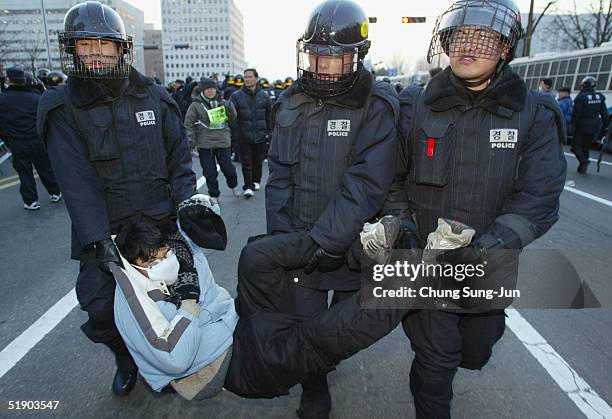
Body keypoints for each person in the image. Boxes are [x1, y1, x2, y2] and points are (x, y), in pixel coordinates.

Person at [380, 0, 566, 417]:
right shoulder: (414, 105)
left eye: (483, 38)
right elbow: (390, 178)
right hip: (426, 262)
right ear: (445, 43)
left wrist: (491, 246)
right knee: (436, 360)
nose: (468, 47)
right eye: (460, 37)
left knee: (476, 351)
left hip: (489, 262)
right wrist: (402, 226)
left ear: (505, 49)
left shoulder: (533, 114)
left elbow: (539, 197)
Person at [37, 1, 200, 397]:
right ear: (70, 50)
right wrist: (98, 241)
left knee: (171, 299)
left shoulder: (155, 98)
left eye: (102, 43)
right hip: (105, 233)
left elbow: (180, 161)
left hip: (160, 224)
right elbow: (75, 182)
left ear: (121, 48)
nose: (93, 52)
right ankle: (128, 360)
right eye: (83, 44)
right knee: (100, 310)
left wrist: (189, 209)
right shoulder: (62, 107)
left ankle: (162, 361)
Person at [111, 215, 413, 401]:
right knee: (314, 337)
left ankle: (363, 249)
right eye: (151, 262)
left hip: (235, 324)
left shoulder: (177, 253)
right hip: (225, 365)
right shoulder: (132, 303)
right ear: (132, 265)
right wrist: (188, 305)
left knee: (256, 256)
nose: (163, 263)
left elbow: (211, 294)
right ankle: (415, 278)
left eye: (163, 254)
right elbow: (174, 359)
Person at [264, 0, 399, 417]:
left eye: (335, 58)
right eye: (316, 55)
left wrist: (327, 241)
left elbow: (366, 183)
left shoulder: (377, 105)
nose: (323, 67)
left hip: (350, 244)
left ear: (357, 56)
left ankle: (324, 361)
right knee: (304, 325)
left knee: (340, 327)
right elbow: (279, 178)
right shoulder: (290, 101)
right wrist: (281, 242)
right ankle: (314, 387)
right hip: (301, 243)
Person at [0, 65, 61, 210]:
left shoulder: (3, 100)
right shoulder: (35, 97)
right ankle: (55, 191)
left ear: (9, 80)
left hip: (17, 141)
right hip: (36, 139)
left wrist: (8, 138)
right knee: (45, 168)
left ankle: (31, 200)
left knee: (24, 173)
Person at [184, 77, 241, 204]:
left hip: (222, 141)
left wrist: (228, 105)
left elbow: (233, 117)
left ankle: (233, 185)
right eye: (207, 89)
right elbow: (189, 123)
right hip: (205, 143)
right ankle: (214, 194)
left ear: (216, 90)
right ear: (202, 91)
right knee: (209, 172)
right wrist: (190, 143)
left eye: (212, 88)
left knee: (228, 168)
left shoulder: (222, 102)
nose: (210, 91)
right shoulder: (196, 105)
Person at [230, 68, 271, 198]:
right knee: (246, 162)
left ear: (256, 78)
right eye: (245, 77)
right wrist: (234, 133)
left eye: (249, 77)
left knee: (258, 160)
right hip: (243, 134)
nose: (247, 79)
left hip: (261, 134)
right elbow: (232, 116)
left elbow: (269, 115)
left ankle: (256, 180)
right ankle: (248, 186)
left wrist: (270, 132)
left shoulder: (264, 95)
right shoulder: (236, 96)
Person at [571, 76, 608, 174]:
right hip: (594, 126)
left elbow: (576, 113)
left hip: (581, 126)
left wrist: (573, 126)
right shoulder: (599, 97)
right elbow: (604, 113)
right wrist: (606, 125)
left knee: (575, 147)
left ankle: (584, 161)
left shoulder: (581, 97)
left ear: (583, 85)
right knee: (585, 147)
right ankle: (582, 167)